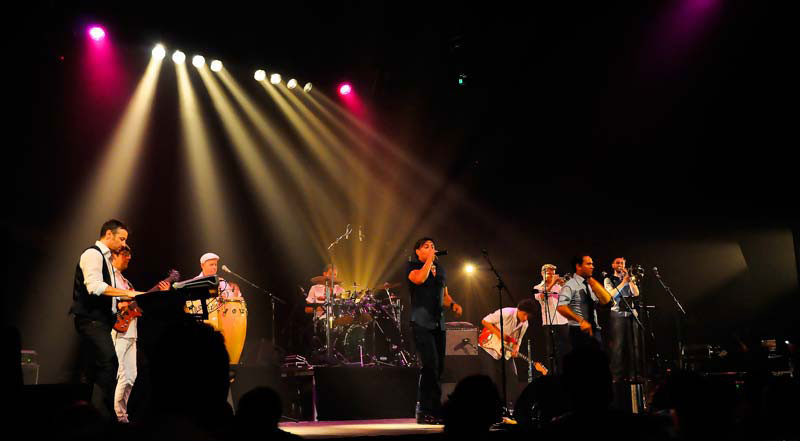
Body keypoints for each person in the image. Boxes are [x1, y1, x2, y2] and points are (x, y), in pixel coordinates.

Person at [69, 219, 140, 413]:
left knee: (97, 367)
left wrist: (131, 299)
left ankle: (92, 411)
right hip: (91, 320)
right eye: (122, 239)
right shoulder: (93, 254)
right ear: (109, 234)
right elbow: (94, 287)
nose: (124, 244)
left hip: (101, 321)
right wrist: (128, 293)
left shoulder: (107, 260)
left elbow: (109, 295)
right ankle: (103, 413)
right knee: (109, 363)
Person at [109, 245, 169, 422]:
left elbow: (137, 304)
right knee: (119, 374)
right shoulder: (110, 277)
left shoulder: (125, 280)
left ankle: (122, 416)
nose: (129, 258)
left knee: (130, 376)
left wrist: (159, 294)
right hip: (119, 330)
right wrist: (120, 304)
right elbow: (113, 301)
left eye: (129, 255)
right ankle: (116, 416)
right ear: (114, 256)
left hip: (131, 331)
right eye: (125, 254)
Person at [407, 237, 462, 424]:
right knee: (429, 366)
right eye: (426, 246)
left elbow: (444, 295)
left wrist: (453, 304)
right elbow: (419, 279)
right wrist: (429, 260)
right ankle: (424, 410)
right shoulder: (412, 267)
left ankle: (435, 410)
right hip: (421, 322)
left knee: (439, 367)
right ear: (417, 251)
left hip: (439, 323)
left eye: (433, 246)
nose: (431, 248)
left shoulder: (441, 270)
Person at [479, 298, 538, 409]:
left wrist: (516, 348)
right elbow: (485, 321)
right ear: (519, 310)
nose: (525, 318)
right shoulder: (506, 313)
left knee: (512, 376)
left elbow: (518, 340)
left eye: (528, 316)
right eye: (524, 314)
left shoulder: (525, 324)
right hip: (489, 347)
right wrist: (499, 334)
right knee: (491, 377)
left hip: (505, 350)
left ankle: (511, 407)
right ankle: (490, 407)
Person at [556, 255, 614, 350]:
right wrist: (581, 321)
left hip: (594, 330)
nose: (592, 267)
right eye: (588, 264)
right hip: (579, 330)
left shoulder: (590, 284)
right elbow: (561, 307)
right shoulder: (570, 285)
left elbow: (607, 303)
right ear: (578, 266)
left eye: (592, 264)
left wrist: (594, 283)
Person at [603, 257, 641, 382]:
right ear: (613, 265)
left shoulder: (629, 278)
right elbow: (611, 295)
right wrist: (623, 282)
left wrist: (629, 281)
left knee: (634, 345)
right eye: (618, 263)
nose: (620, 265)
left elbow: (636, 293)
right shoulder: (608, 279)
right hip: (617, 315)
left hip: (631, 314)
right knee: (618, 345)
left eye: (622, 263)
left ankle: (634, 374)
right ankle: (617, 375)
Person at [533, 263, 570, 374]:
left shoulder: (559, 287)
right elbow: (541, 297)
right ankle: (553, 375)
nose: (552, 276)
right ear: (542, 273)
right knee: (552, 352)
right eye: (549, 273)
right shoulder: (538, 287)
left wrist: (565, 285)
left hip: (563, 322)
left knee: (566, 351)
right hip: (549, 323)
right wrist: (553, 283)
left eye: (553, 274)